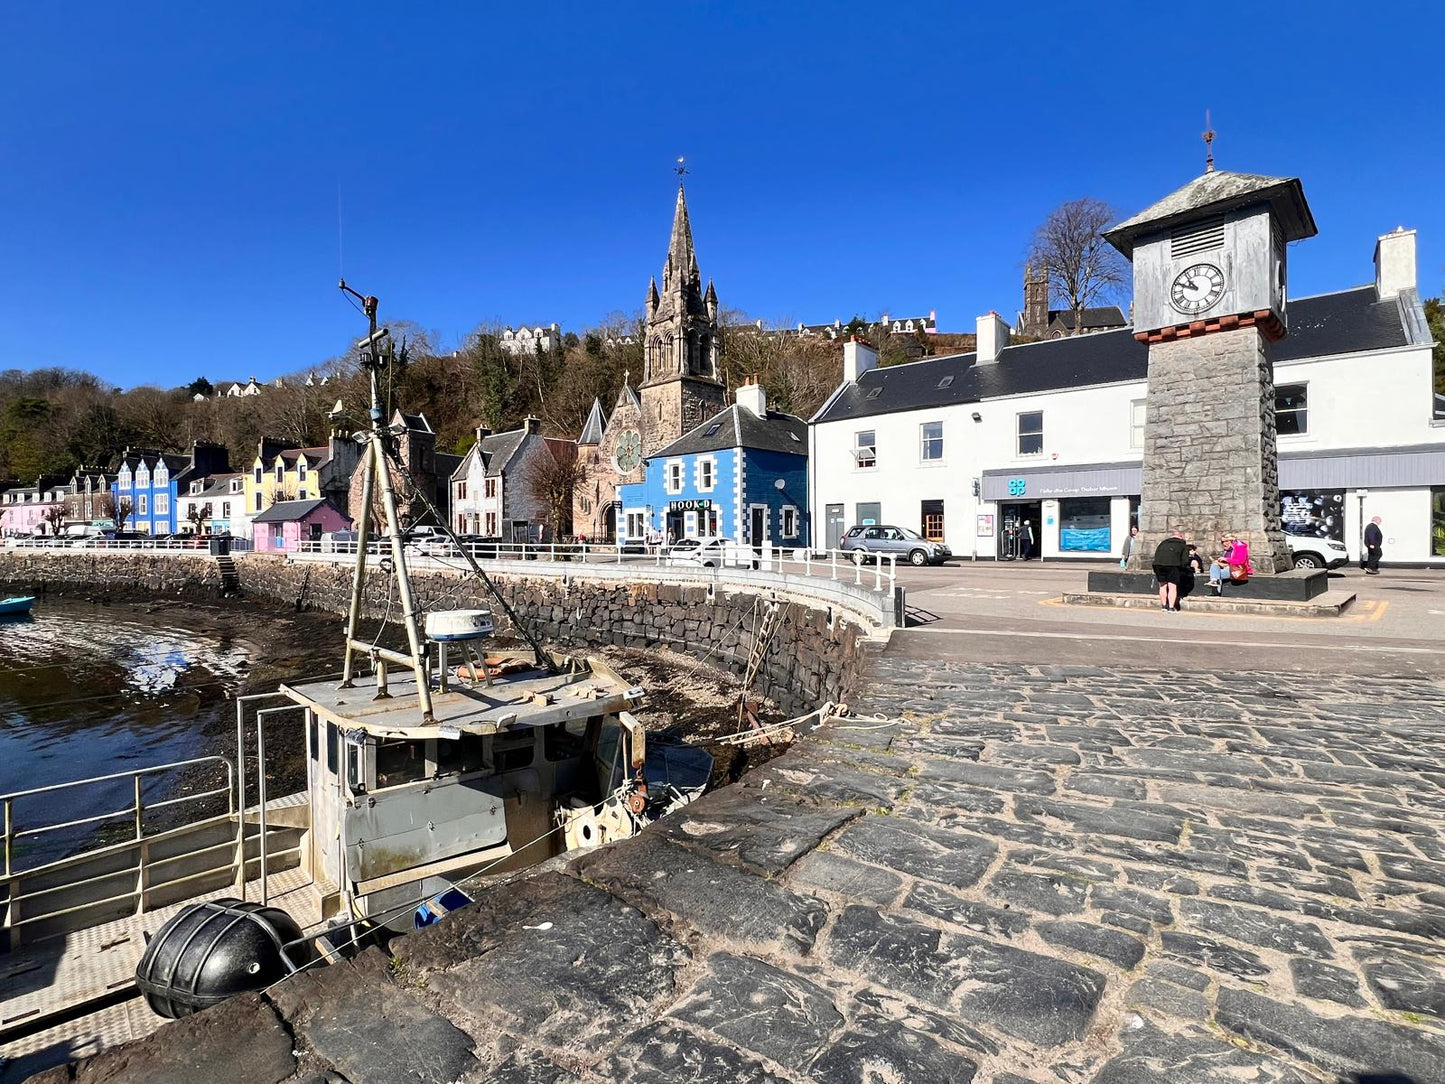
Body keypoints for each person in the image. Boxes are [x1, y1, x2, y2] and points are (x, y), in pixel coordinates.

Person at [1151, 528, 1189, 612]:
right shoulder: (1182, 545)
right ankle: (1171, 607)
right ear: (1181, 536)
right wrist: (1183, 568)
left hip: (1159, 564)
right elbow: (1185, 560)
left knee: (1162, 585)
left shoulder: (1163, 543)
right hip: (1173, 565)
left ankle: (1164, 606)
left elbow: (1156, 554)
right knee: (1172, 586)